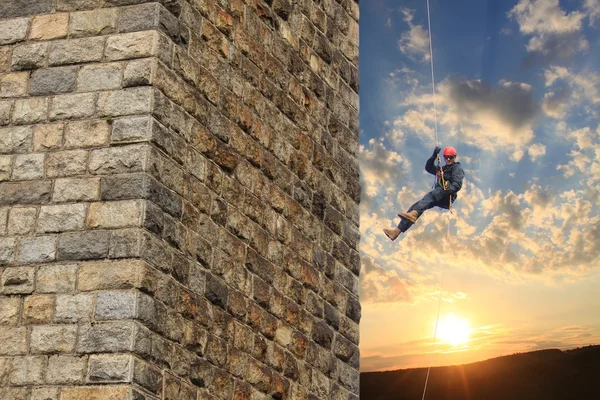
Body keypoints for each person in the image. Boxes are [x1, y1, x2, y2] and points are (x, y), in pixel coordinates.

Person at [383, 146, 465, 241]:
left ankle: (414, 214)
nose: (448, 159)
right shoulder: (442, 169)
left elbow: (457, 182)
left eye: (451, 157)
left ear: (455, 157)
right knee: (416, 206)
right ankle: (396, 232)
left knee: (431, 195)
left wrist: (450, 188)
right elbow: (429, 168)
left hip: (447, 195)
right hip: (438, 194)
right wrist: (433, 156)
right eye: (446, 157)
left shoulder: (456, 168)